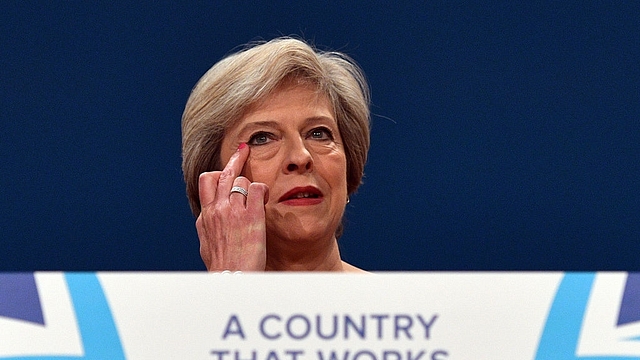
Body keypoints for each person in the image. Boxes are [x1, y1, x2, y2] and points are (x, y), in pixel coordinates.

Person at [181, 37, 370, 272]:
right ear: (214, 182)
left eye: (319, 133)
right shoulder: (162, 309)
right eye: (262, 138)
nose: (301, 157)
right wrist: (233, 281)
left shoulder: (407, 307)